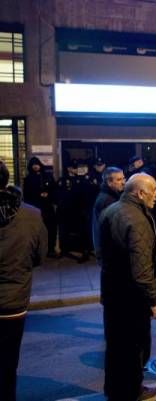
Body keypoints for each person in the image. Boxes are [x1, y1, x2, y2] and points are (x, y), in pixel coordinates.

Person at [97, 173, 156, 401]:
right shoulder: (137, 220)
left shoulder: (111, 210)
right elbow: (142, 270)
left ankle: (114, 391)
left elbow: (100, 252)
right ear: (140, 193)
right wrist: (154, 301)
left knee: (115, 348)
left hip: (113, 293)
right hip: (132, 298)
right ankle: (131, 391)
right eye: (153, 189)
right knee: (135, 348)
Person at [0, 161, 47, 401]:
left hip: (12, 298)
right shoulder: (31, 214)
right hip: (14, 301)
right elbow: (39, 256)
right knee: (8, 364)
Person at [23, 156, 58, 257]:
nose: (35, 167)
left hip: (48, 207)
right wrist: (38, 195)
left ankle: (51, 249)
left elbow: (54, 189)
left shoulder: (47, 176)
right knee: (36, 230)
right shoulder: (28, 179)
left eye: (37, 164)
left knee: (51, 228)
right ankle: (37, 251)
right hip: (35, 208)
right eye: (33, 165)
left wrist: (49, 195)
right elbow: (27, 195)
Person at [92, 167, 125, 251]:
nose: (123, 182)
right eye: (119, 180)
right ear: (109, 182)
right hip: (110, 250)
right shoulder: (107, 200)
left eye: (123, 178)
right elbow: (113, 230)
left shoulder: (112, 195)